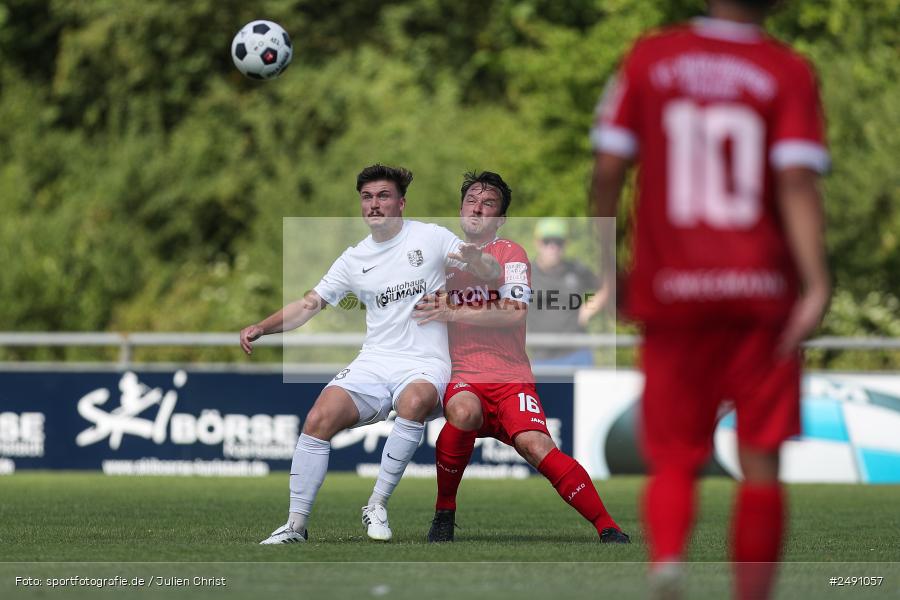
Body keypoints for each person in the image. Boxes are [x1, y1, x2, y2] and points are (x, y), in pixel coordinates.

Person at [590, 1, 830, 597]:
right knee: (761, 461)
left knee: (673, 454)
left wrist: (606, 264)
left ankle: (669, 559)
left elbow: (608, 167)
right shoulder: (786, 69)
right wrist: (817, 280)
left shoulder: (650, 56)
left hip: (671, 288)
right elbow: (796, 180)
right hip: (760, 290)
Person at [240, 164, 500, 544]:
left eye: (383, 196)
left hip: (424, 362)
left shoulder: (429, 237)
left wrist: (479, 260)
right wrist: (262, 327)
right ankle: (295, 527)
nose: (374, 204)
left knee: (414, 402)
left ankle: (376, 504)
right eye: (367, 197)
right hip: (375, 360)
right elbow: (309, 305)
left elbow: (488, 268)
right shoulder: (353, 259)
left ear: (401, 203)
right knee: (318, 418)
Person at [412, 171, 629, 544]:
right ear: (461, 208)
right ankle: (444, 514)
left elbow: (513, 311)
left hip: (511, 376)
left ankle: (608, 527)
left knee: (537, 446)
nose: (478, 208)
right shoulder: (439, 257)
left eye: (488, 203)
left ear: (500, 218)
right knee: (463, 412)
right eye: (471, 201)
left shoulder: (511, 254)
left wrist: (452, 311)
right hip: (462, 372)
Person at [528, 217, 605, 366]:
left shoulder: (577, 269)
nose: (553, 247)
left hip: (578, 354)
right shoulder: (525, 274)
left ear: (566, 243)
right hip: (542, 358)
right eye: (547, 241)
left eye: (558, 242)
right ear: (537, 243)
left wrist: (588, 309)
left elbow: (606, 288)